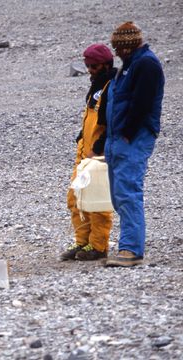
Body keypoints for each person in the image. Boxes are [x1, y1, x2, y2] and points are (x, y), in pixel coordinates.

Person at [104, 22, 165, 267]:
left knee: (128, 191)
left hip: (132, 137)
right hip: (118, 138)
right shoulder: (129, 66)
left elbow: (142, 102)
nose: (116, 53)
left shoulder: (146, 64)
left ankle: (131, 249)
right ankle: (129, 244)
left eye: (118, 48)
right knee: (119, 195)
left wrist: (128, 132)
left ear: (127, 47)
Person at [61, 44, 117, 261]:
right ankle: (82, 242)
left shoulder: (112, 86)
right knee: (76, 197)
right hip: (85, 149)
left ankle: (98, 245)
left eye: (93, 66)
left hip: (98, 152)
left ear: (105, 64)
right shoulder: (96, 86)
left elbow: (110, 122)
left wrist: (100, 147)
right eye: (87, 66)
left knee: (97, 200)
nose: (90, 70)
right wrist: (81, 139)